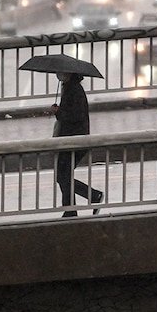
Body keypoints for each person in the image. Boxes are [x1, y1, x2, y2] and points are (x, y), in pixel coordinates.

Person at [49, 72, 102, 217]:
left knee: (63, 176)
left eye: (61, 73)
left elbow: (75, 116)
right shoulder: (69, 88)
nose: (58, 75)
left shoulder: (74, 90)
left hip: (75, 140)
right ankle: (71, 209)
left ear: (69, 74)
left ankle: (90, 197)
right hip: (70, 139)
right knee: (63, 175)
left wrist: (58, 112)